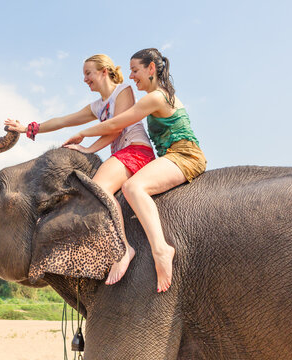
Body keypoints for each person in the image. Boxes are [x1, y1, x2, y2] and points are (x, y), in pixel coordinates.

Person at [63, 48, 207, 293]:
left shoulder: (156, 97)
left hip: (185, 155)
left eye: (135, 70)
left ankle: (161, 249)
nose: (130, 76)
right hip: (171, 156)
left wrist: (84, 134)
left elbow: (119, 122)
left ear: (151, 68)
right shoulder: (155, 96)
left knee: (133, 187)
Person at [4, 54, 155, 285]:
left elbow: (117, 127)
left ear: (104, 71)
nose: (85, 79)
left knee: (98, 189)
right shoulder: (98, 105)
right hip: (121, 155)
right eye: (84, 75)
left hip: (135, 151)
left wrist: (88, 147)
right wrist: (28, 128)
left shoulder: (122, 91)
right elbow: (64, 120)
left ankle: (123, 249)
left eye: (88, 73)